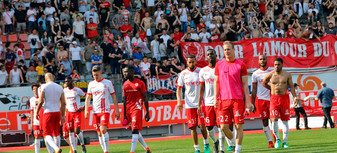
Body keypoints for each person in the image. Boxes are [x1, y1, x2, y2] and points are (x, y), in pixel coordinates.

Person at [214, 41, 253, 153]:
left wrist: (248, 102)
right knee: (223, 127)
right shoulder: (219, 65)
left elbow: (245, 85)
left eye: (228, 49)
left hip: (238, 100)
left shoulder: (241, 65)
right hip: (223, 100)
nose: (226, 51)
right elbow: (216, 83)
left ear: (234, 50)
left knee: (238, 126)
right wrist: (215, 98)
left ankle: (237, 151)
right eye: (225, 49)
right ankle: (233, 142)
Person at [176, 55, 209, 153]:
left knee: (202, 125)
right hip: (189, 104)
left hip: (201, 103)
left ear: (196, 61)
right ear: (187, 62)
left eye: (193, 62)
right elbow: (179, 88)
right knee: (193, 127)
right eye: (189, 62)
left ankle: (206, 143)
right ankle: (197, 148)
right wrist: (179, 101)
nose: (191, 64)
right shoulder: (183, 74)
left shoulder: (201, 71)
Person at [262, 57, 298, 149]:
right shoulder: (270, 74)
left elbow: (291, 87)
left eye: (278, 65)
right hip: (274, 99)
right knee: (274, 120)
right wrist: (271, 89)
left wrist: (295, 97)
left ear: (282, 65)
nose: (276, 66)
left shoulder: (287, 75)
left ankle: (285, 142)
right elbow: (264, 83)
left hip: (284, 98)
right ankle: (277, 139)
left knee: (285, 121)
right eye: (275, 65)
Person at [85, 66, 121, 153]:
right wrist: (86, 110)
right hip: (95, 111)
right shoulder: (91, 84)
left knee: (103, 129)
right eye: (94, 75)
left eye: (97, 75)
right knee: (99, 133)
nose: (95, 77)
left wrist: (117, 110)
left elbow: (113, 96)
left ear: (101, 73)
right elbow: (88, 97)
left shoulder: (107, 83)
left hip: (105, 110)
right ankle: (104, 150)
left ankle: (106, 151)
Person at [122, 65, 151, 153]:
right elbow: (124, 100)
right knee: (135, 130)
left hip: (137, 108)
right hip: (128, 110)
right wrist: (124, 115)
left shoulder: (140, 83)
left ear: (132, 72)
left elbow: (145, 98)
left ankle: (132, 151)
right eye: (124, 72)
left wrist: (147, 112)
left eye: (126, 72)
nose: (125, 73)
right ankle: (147, 149)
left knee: (134, 130)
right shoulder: (125, 84)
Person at [198, 49, 222, 153]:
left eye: (212, 54)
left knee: (221, 126)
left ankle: (221, 149)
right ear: (206, 57)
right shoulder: (203, 71)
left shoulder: (221, 67)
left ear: (216, 55)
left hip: (220, 101)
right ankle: (215, 142)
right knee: (209, 127)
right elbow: (201, 88)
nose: (210, 56)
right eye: (208, 54)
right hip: (208, 102)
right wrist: (199, 104)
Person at [36, 73, 66, 153]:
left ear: (46, 79)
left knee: (47, 134)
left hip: (47, 112)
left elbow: (41, 101)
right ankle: (57, 148)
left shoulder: (43, 87)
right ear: (53, 77)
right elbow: (63, 103)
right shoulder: (60, 87)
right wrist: (62, 115)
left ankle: (56, 148)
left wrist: (37, 111)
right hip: (57, 112)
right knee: (56, 134)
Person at [251, 55, 274, 148]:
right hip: (261, 100)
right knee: (265, 122)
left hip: (272, 99)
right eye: (260, 59)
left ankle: (277, 139)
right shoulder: (255, 74)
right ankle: (270, 142)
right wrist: (252, 103)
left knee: (274, 120)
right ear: (258, 61)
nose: (262, 60)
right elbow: (254, 89)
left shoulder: (272, 71)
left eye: (264, 59)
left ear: (267, 60)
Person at [64, 77, 87, 153]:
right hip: (68, 113)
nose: (67, 82)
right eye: (65, 81)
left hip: (76, 112)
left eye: (68, 81)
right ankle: (74, 150)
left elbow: (87, 96)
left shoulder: (77, 90)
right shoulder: (65, 91)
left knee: (77, 131)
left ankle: (82, 144)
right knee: (70, 131)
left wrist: (84, 106)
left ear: (71, 81)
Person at [30, 84, 43, 153]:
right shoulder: (31, 100)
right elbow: (31, 111)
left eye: (36, 89)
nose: (35, 90)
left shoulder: (43, 98)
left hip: (43, 120)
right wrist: (31, 121)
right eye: (34, 89)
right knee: (37, 137)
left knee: (47, 136)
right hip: (36, 121)